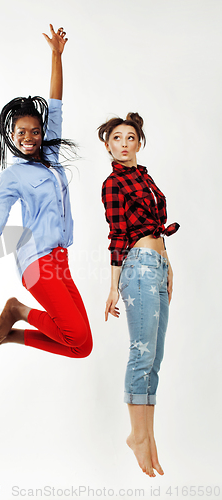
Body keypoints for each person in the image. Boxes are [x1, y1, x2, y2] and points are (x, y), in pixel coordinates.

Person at [0, 24, 93, 365]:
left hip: (59, 259)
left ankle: (12, 334)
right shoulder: (14, 176)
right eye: (22, 132)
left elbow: (56, 102)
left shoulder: (50, 158)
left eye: (35, 131)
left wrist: (56, 55)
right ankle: (18, 309)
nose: (29, 137)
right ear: (11, 134)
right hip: (36, 261)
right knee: (75, 334)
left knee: (81, 346)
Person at [99, 113, 179, 477]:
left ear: (139, 143)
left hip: (157, 265)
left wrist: (169, 265)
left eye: (131, 137)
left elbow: (157, 228)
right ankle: (138, 435)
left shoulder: (145, 178)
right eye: (118, 138)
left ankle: (146, 434)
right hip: (139, 267)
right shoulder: (113, 183)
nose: (125, 143)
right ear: (108, 146)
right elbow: (118, 235)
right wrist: (113, 286)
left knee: (155, 357)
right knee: (142, 353)